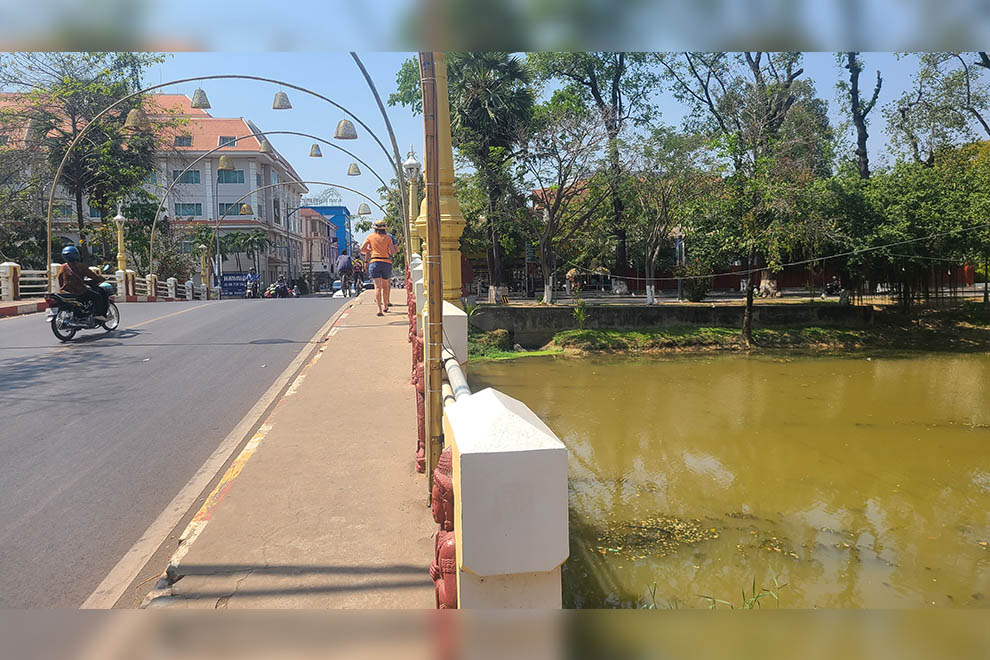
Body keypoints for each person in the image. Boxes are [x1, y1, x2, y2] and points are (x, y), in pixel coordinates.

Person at [57, 245, 108, 320]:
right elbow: (92, 275)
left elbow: (59, 278)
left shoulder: (63, 267)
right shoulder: (80, 266)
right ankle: (99, 315)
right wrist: (101, 278)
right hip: (79, 291)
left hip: (65, 291)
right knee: (97, 297)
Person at [361, 220, 398, 316]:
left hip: (374, 262)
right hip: (386, 262)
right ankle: (386, 305)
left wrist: (370, 250)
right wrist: (387, 251)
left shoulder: (370, 237)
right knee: (385, 286)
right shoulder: (388, 238)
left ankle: (379, 309)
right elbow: (393, 252)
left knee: (377, 287)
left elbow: (362, 249)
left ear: (375, 228)